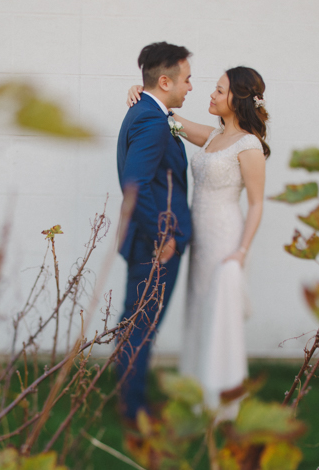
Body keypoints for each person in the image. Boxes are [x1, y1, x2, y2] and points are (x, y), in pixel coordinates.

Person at [127, 66, 269, 415]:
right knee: (198, 310)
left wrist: (241, 251)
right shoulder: (212, 137)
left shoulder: (248, 145)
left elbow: (256, 203)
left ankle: (219, 400)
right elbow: (169, 119)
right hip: (200, 240)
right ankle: (196, 392)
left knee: (219, 313)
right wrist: (141, 93)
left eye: (219, 91)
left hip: (224, 238)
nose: (211, 94)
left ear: (237, 98)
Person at [116, 42, 193, 422]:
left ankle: (127, 397)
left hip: (146, 240)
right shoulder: (151, 119)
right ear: (165, 81)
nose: (191, 87)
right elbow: (135, 182)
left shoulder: (146, 110)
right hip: (154, 244)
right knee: (142, 327)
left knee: (135, 322)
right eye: (187, 79)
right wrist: (163, 235)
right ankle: (134, 411)